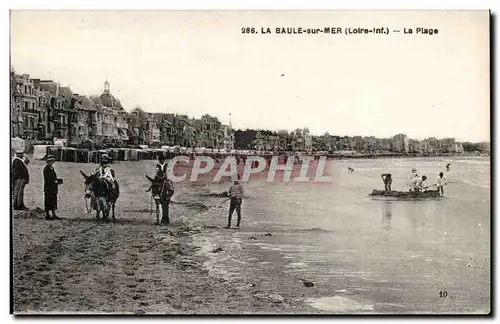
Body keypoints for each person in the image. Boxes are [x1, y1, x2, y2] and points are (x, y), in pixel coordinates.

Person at [43, 155, 61, 220]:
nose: (52, 162)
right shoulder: (46, 169)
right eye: (51, 161)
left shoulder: (51, 168)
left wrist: (56, 181)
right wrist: (55, 181)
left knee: (53, 201)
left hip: (53, 187)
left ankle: (53, 214)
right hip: (49, 188)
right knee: (48, 201)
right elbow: (48, 179)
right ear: (48, 161)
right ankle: (47, 215)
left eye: (53, 161)